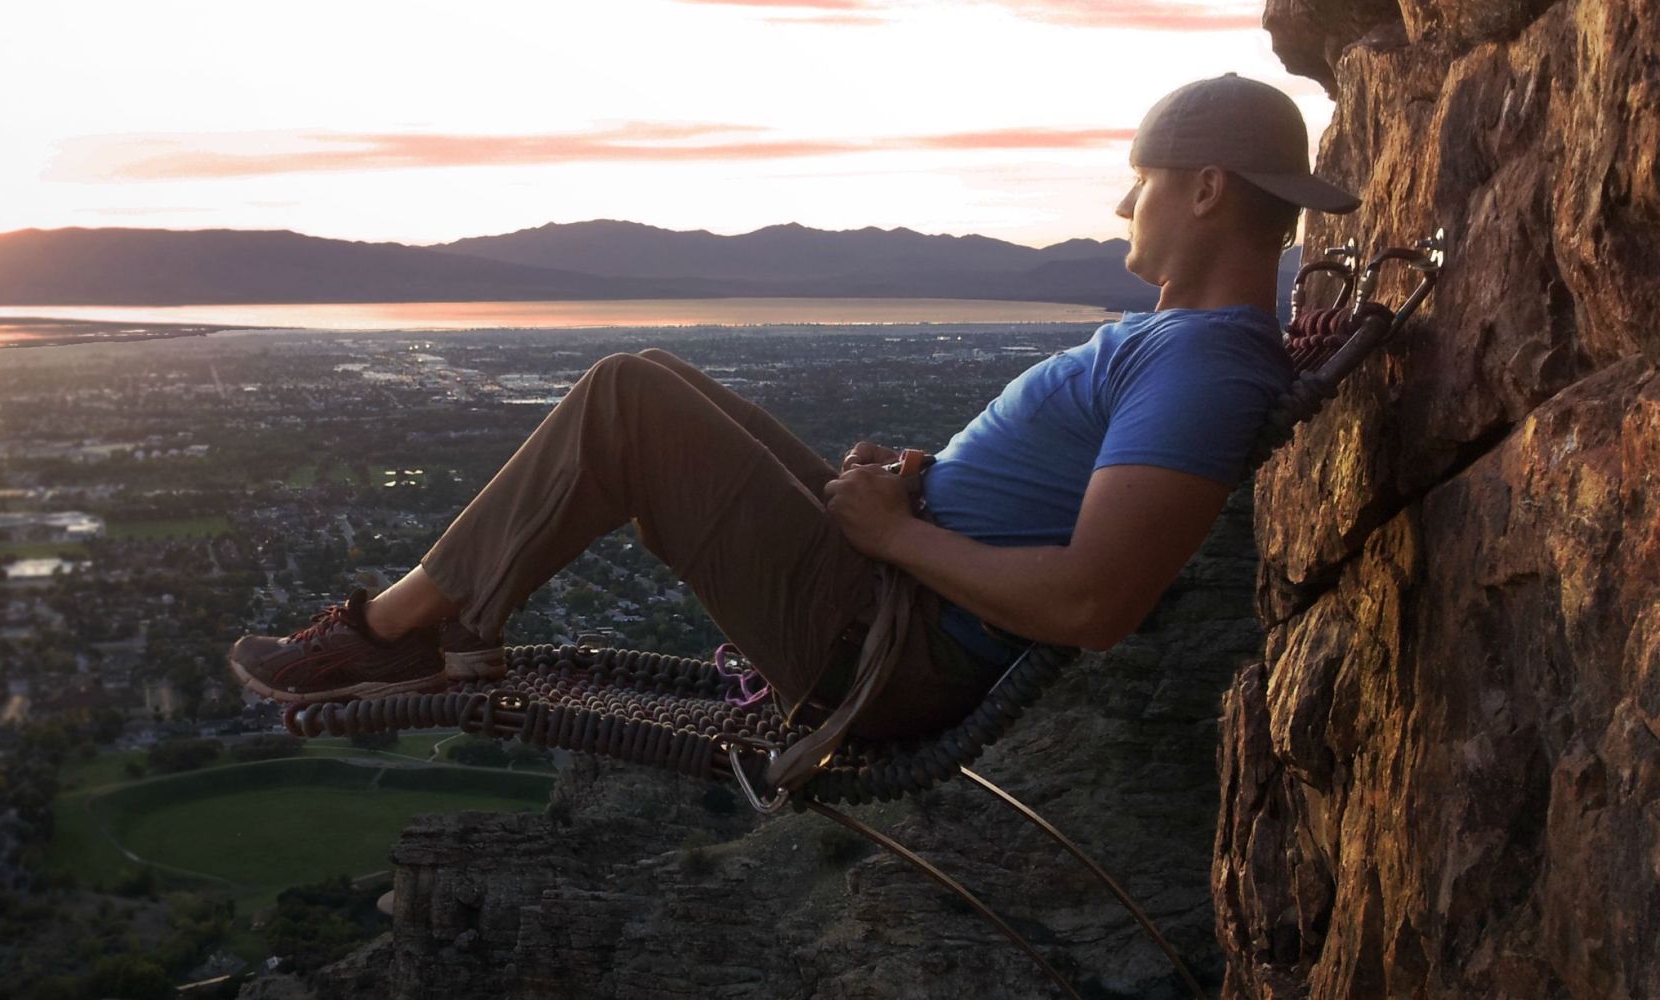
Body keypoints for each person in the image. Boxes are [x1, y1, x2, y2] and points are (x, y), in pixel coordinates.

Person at [227, 73, 1360, 741]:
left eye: (1144, 179)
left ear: (1205, 189)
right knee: (653, 373)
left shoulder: (1203, 362)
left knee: (626, 399)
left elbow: (1094, 598)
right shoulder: (1180, 344)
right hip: (890, 589)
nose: (1123, 201)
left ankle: (396, 636)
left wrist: (898, 534)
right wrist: (916, 496)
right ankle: (434, 627)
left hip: (888, 649)